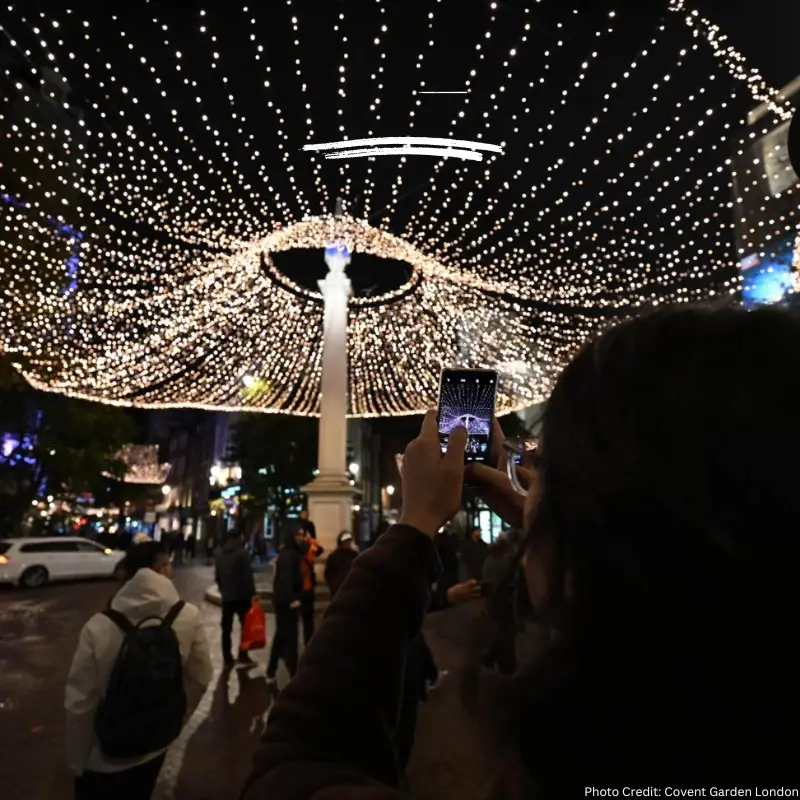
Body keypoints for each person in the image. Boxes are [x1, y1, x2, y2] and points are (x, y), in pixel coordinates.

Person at [65, 541, 212, 800]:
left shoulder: (99, 625)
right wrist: (175, 720)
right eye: (169, 565)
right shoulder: (187, 615)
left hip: (104, 753)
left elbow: (80, 702)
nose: (172, 570)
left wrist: (77, 760)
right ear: (159, 569)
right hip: (155, 745)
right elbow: (200, 678)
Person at [266, 528, 304, 687]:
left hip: (282, 601)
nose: (301, 538)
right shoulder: (290, 556)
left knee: (281, 636)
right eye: (298, 535)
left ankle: (272, 670)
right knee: (290, 637)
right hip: (287, 602)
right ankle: (292, 674)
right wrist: (293, 599)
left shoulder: (286, 554)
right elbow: (286, 579)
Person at [215, 529, 257, 666]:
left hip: (227, 596)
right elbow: (247, 577)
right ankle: (243, 654)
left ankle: (227, 657)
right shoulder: (242, 553)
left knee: (226, 629)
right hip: (242, 597)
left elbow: (218, 576)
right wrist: (252, 594)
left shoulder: (220, 554)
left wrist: (223, 589)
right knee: (245, 627)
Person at [481, 533, 517, 675]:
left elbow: (485, 578)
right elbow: (512, 578)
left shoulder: (489, 558)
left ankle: (494, 659)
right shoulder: (506, 559)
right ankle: (504, 664)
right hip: (504, 599)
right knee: (507, 632)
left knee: (503, 630)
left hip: (493, 599)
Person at [298, 527, 324, 644]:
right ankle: (308, 640)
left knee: (305, 618)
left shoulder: (296, 550)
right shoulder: (309, 549)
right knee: (308, 618)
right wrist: (310, 540)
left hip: (302, 587)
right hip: (306, 587)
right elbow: (319, 550)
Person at [323, 531, 358, 598]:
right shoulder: (334, 556)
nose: (347, 543)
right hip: (338, 589)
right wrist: (334, 584)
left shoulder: (355, 555)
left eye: (349, 541)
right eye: (345, 541)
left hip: (352, 590)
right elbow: (328, 573)